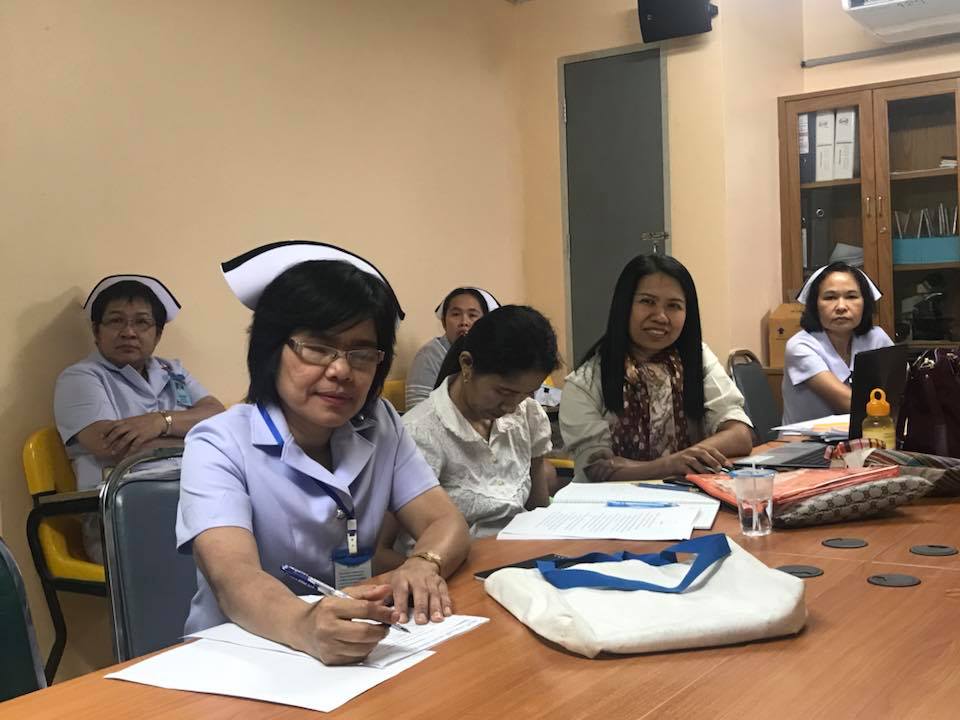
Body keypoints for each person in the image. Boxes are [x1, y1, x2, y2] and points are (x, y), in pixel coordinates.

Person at [176, 241, 470, 666]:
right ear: (271, 349)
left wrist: (423, 563)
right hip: (243, 655)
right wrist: (304, 624)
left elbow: (444, 520)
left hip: (356, 650)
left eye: (361, 353)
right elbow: (233, 576)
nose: (341, 370)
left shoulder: (380, 422)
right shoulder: (218, 442)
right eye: (317, 347)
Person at [54, 275, 224, 563]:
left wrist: (159, 422)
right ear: (96, 331)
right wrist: (194, 436)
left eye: (142, 322)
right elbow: (110, 444)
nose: (129, 332)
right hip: (125, 512)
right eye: (116, 321)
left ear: (157, 334)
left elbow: (217, 417)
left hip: (190, 499)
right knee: (224, 552)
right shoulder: (81, 377)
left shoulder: (173, 371)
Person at [560, 254, 753, 482]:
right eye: (647, 302)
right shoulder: (585, 382)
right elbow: (596, 470)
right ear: (624, 305)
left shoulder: (696, 358)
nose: (661, 317)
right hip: (614, 502)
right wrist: (672, 464)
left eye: (674, 306)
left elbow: (740, 434)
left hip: (690, 494)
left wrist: (671, 461)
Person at [397, 305, 559, 539]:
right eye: (504, 392)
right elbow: (397, 548)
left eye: (526, 394)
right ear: (467, 364)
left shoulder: (527, 414)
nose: (511, 407)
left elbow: (537, 511)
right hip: (453, 558)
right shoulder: (420, 433)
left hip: (518, 553)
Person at [781, 262, 893, 424]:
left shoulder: (877, 338)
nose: (841, 307)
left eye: (851, 297)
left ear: (865, 303)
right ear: (815, 305)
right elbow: (847, 404)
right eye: (830, 297)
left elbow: (900, 388)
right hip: (807, 439)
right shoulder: (800, 346)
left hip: (869, 433)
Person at [404, 287, 500, 410]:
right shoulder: (429, 356)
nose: (464, 322)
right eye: (455, 314)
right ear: (444, 322)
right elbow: (416, 410)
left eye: (472, 315)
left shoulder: (492, 354)